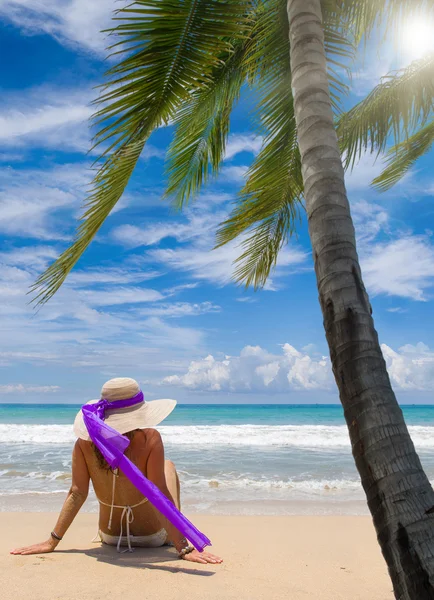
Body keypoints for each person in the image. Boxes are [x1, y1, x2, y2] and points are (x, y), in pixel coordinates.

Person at [11, 377, 222, 565]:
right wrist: (184, 547)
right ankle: (174, 534)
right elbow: (158, 494)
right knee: (168, 466)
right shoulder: (150, 439)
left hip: (109, 537)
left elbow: (77, 493)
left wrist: (51, 541)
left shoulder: (84, 444)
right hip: (153, 537)